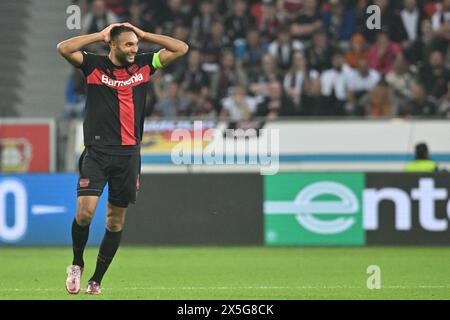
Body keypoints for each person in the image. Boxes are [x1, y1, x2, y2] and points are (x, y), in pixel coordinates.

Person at [56, 23, 188, 295]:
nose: (134, 49)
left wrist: (143, 34)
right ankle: (77, 263)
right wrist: (99, 34)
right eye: (128, 45)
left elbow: (181, 48)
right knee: (85, 213)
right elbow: (64, 48)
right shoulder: (93, 65)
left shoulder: (144, 64)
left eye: (135, 45)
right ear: (112, 44)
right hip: (98, 152)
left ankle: (96, 280)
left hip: (128, 155)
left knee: (115, 222)